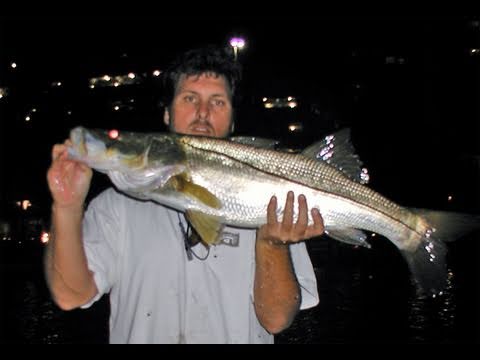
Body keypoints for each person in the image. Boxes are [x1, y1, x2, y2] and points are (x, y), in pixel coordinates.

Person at [44, 45, 325, 344]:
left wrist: (272, 243)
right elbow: (70, 295)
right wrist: (67, 206)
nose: (202, 113)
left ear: (232, 121)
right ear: (166, 113)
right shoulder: (116, 207)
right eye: (189, 99)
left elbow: (277, 320)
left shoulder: (270, 203)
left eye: (217, 102)